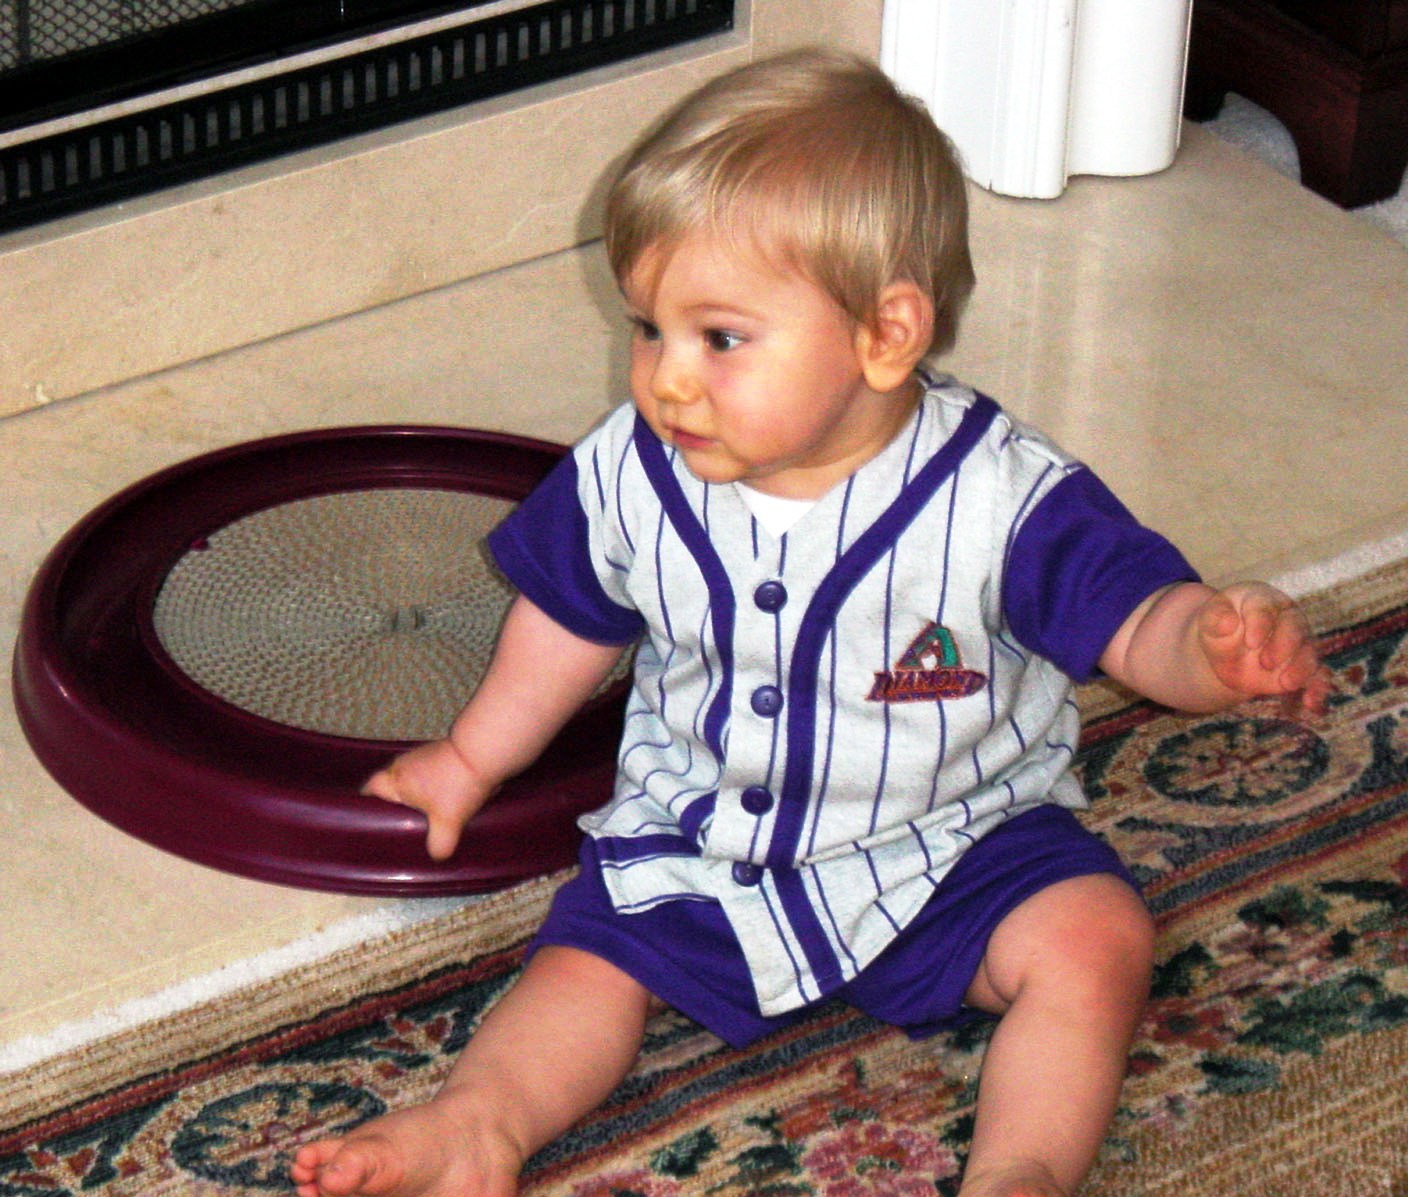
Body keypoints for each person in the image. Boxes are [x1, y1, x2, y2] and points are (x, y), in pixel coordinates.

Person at [290, 48, 1330, 1197]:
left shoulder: (1001, 497)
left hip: (954, 843)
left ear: (886, 335)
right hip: (703, 838)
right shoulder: (631, 473)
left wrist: (1214, 646)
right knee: (586, 958)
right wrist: (469, 756)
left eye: (718, 338)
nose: (666, 381)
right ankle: (479, 1124)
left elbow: (1137, 624)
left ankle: (1020, 1171)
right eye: (649, 328)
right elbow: (566, 615)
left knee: (1095, 938)